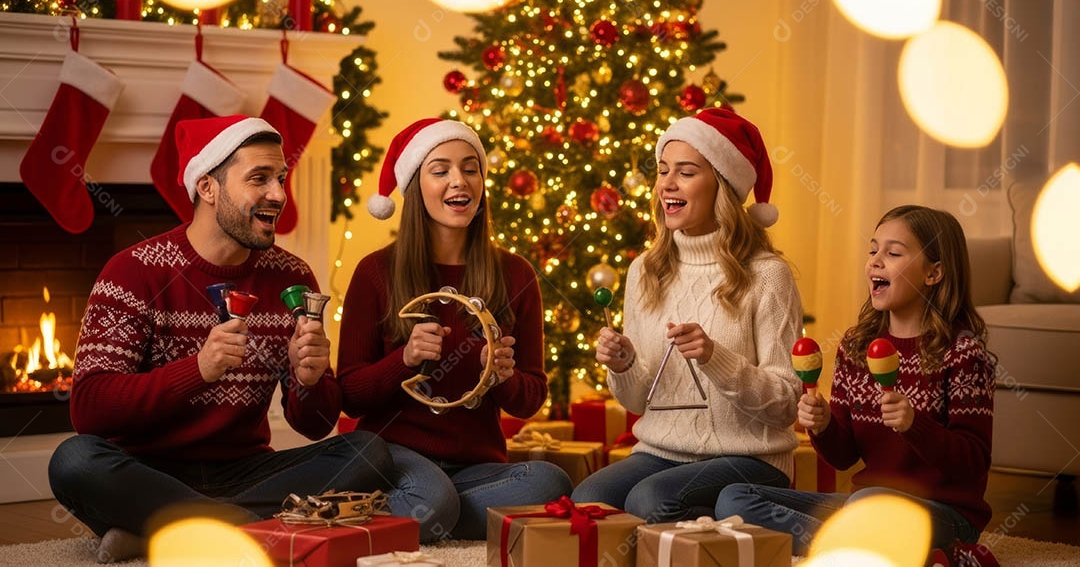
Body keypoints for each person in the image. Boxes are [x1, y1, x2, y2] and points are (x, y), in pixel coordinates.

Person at [48, 115, 392, 564]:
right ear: (208, 188)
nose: (278, 195)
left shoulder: (292, 276)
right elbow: (88, 408)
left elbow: (316, 424)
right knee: (73, 460)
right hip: (147, 472)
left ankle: (168, 530)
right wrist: (198, 370)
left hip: (247, 472)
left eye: (280, 179)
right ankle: (247, 529)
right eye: (259, 179)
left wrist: (309, 379)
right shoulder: (133, 271)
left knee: (369, 452)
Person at [336, 118, 573, 542]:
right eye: (440, 170)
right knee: (434, 497)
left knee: (551, 483)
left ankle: (422, 513)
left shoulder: (515, 274)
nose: (459, 181)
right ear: (415, 187)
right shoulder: (375, 272)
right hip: (392, 457)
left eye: (470, 168)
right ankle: (436, 509)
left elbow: (531, 398)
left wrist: (503, 376)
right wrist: (404, 360)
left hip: (475, 465)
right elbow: (351, 396)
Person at [715, 205, 996, 560]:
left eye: (893, 253)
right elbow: (844, 457)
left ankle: (914, 548)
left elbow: (972, 464)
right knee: (734, 498)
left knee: (866, 502)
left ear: (934, 273)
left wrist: (915, 425)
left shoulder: (962, 354)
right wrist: (824, 424)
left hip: (946, 514)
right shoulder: (856, 347)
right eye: (873, 250)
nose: (876, 261)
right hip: (864, 506)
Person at [571, 108, 803, 522]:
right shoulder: (645, 269)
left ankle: (744, 516)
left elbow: (786, 404)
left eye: (686, 172)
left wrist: (715, 357)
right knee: (590, 498)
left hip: (748, 456)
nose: (667, 184)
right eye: (663, 171)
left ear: (723, 185)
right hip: (661, 452)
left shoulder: (767, 274)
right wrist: (624, 365)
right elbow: (637, 400)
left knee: (650, 501)